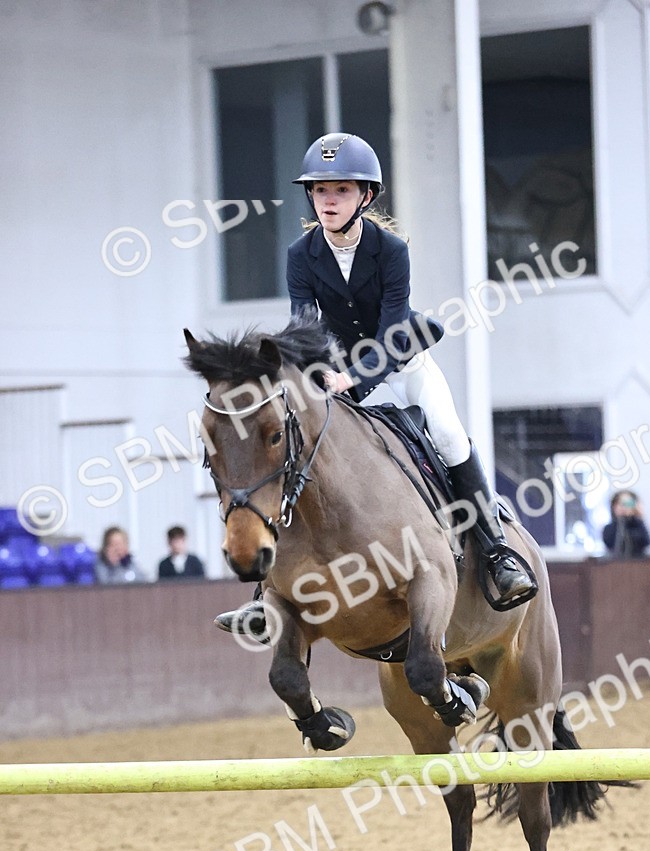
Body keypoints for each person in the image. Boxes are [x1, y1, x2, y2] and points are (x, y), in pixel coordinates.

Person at [216, 132, 536, 638]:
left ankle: (497, 554)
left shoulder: (390, 251)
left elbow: (391, 330)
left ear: (365, 196)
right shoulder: (300, 255)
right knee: (295, 448)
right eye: (320, 191)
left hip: (402, 365)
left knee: (450, 437)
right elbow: (305, 324)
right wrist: (316, 371)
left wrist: (354, 375)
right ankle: (264, 597)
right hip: (337, 372)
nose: (328, 201)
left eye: (340, 190)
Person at [602, 491, 650, 559]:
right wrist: (620, 520)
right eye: (620, 503)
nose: (624, 507)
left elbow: (646, 542)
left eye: (628, 503)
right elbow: (611, 544)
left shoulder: (638, 525)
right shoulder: (608, 528)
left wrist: (638, 517)